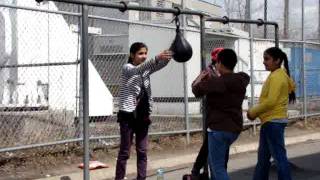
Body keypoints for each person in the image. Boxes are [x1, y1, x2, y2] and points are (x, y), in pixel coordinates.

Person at [115, 42, 172, 180]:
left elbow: (159, 65)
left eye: (145, 53)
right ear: (132, 55)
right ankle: (119, 178)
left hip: (143, 115)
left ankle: (142, 178)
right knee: (125, 152)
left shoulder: (145, 69)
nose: (144, 56)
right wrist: (157, 57)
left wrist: (170, 54)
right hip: (127, 115)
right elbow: (139, 69)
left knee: (142, 151)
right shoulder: (127, 68)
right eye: (140, 53)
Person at [192, 49, 250, 180]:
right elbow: (246, 76)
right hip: (234, 128)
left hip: (218, 129)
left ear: (220, 63)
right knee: (216, 164)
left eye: (216, 62)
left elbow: (196, 89)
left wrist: (201, 78)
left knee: (217, 168)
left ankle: (196, 171)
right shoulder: (240, 79)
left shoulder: (217, 82)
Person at [247, 47, 296, 180]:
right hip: (270, 122)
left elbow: (271, 101)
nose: (264, 62)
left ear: (277, 60)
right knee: (263, 159)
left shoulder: (277, 77)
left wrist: (252, 112)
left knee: (279, 158)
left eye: (267, 59)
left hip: (273, 122)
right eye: (264, 58)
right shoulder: (278, 75)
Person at [183, 48, 224, 180]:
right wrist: (202, 78)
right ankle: (197, 171)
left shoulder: (224, 72)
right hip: (212, 114)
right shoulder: (209, 72)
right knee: (208, 144)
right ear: (215, 60)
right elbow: (195, 86)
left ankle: (208, 172)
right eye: (219, 60)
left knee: (217, 147)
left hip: (223, 116)